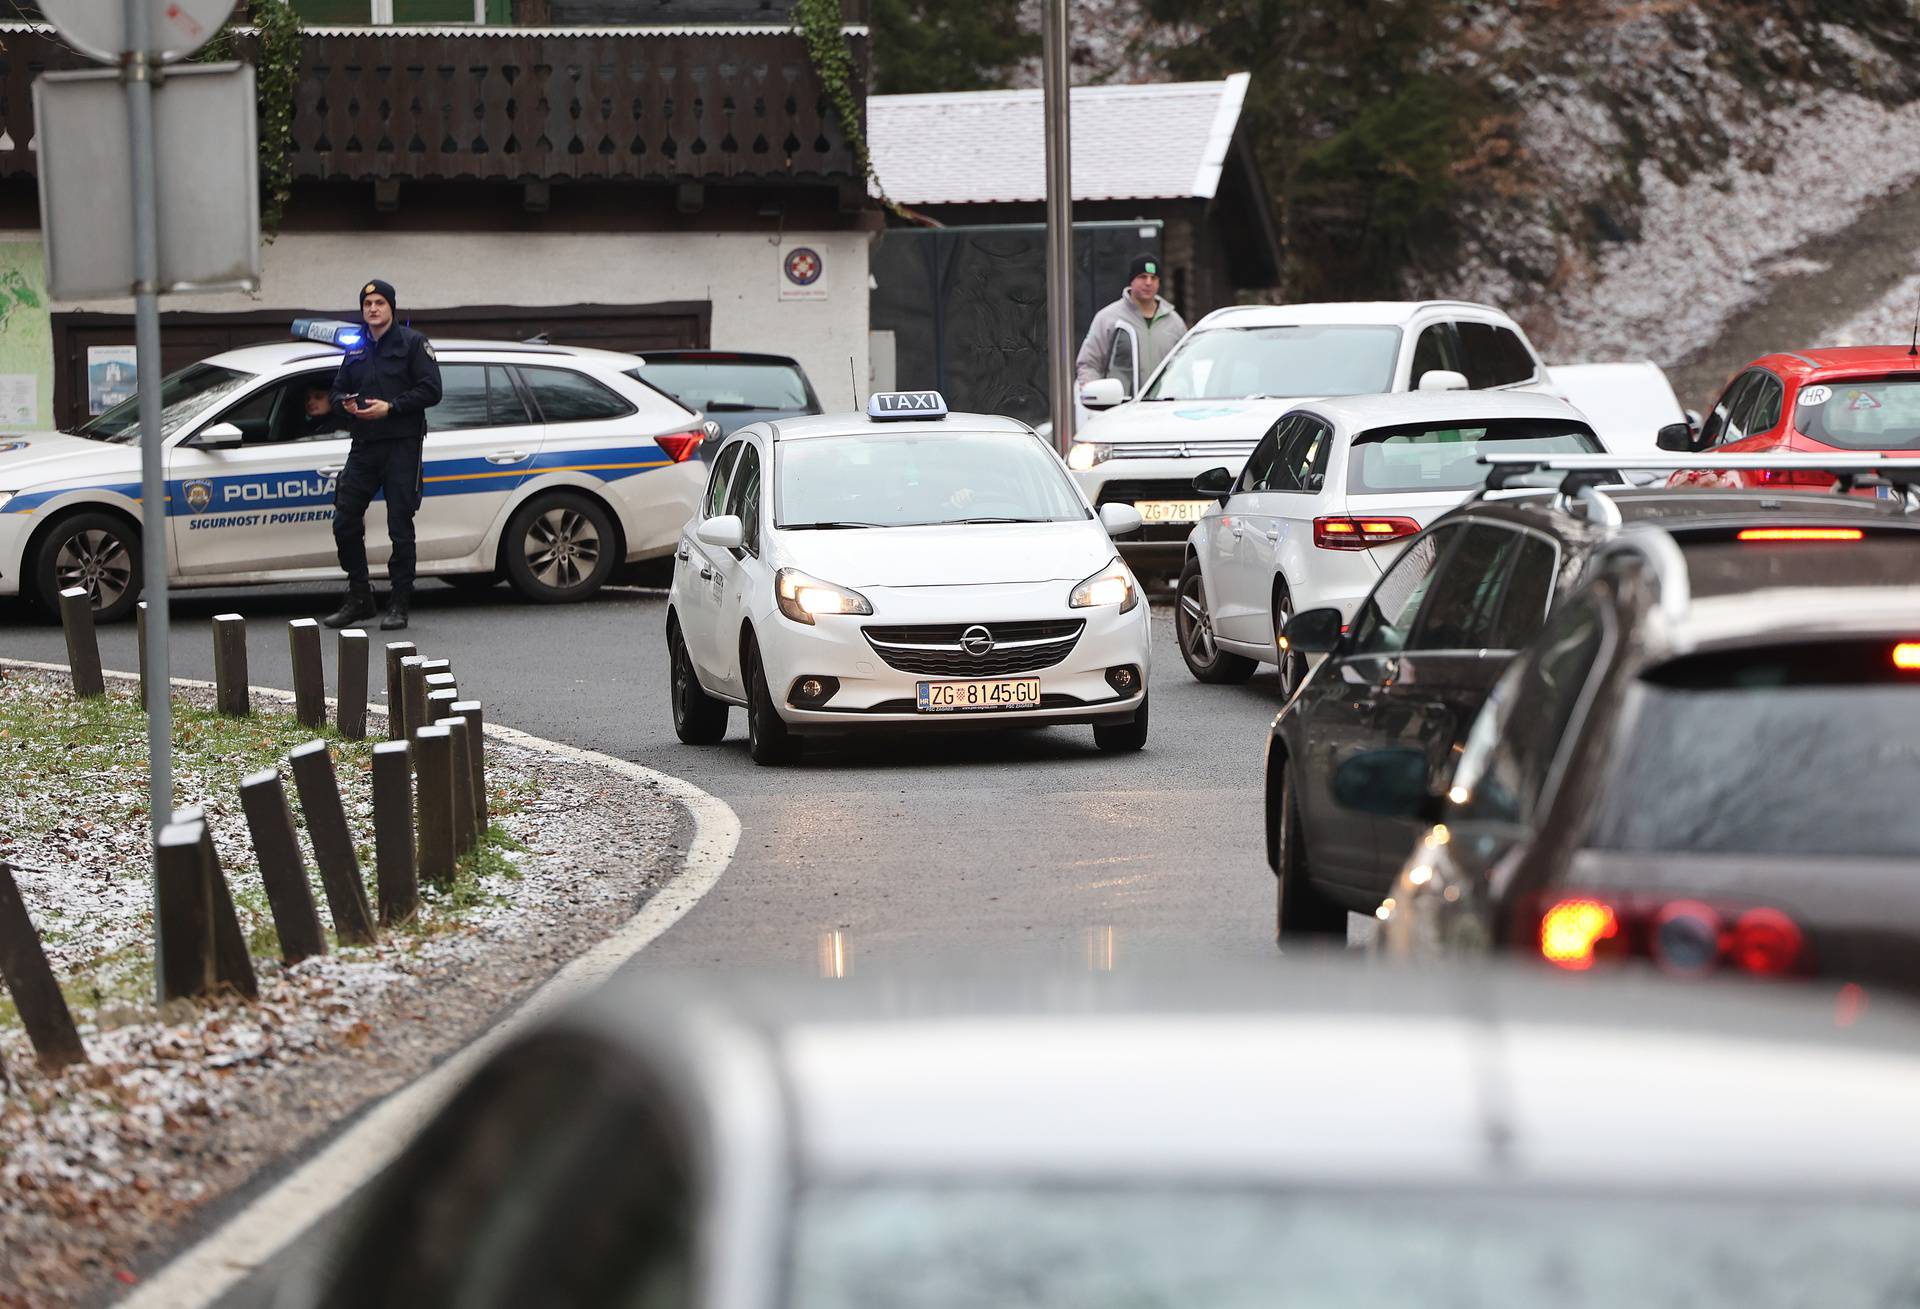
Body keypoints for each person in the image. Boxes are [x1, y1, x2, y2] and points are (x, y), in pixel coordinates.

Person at [321, 278, 443, 632]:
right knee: (345, 520)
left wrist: (391, 408)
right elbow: (336, 392)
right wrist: (345, 405)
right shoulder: (357, 349)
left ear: (391, 307)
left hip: (401, 445)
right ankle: (360, 596)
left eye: (379, 302)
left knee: (399, 527)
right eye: (367, 303)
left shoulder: (413, 344)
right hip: (364, 446)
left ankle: (399, 602)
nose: (372, 308)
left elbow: (432, 390)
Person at [1075, 254, 1188, 396]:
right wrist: (1097, 399)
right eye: (1142, 276)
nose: (1148, 282)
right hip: (1121, 409)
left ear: (1159, 283)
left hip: (1163, 409)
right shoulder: (1107, 318)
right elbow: (1088, 364)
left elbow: (1186, 369)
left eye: (1153, 278)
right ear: (1131, 280)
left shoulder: (1174, 322)